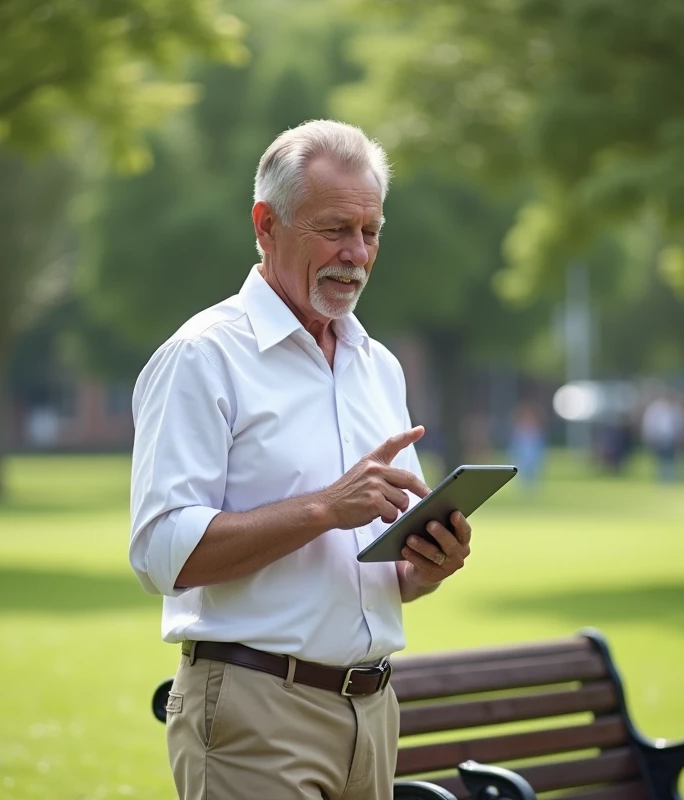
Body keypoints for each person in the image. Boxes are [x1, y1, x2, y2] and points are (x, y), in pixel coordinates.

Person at [129, 120, 474, 800]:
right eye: (334, 228)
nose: (356, 253)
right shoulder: (203, 357)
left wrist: (426, 565)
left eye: (371, 232)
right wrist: (323, 508)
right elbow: (162, 554)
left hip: (373, 713)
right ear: (266, 224)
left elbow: (381, 575)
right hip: (256, 712)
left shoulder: (378, 366)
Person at [641, 394, 684, 483]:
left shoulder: (675, 410)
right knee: (662, 459)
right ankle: (663, 478)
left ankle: (670, 478)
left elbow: (680, 426)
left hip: (672, 439)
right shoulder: (657, 409)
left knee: (671, 459)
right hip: (661, 438)